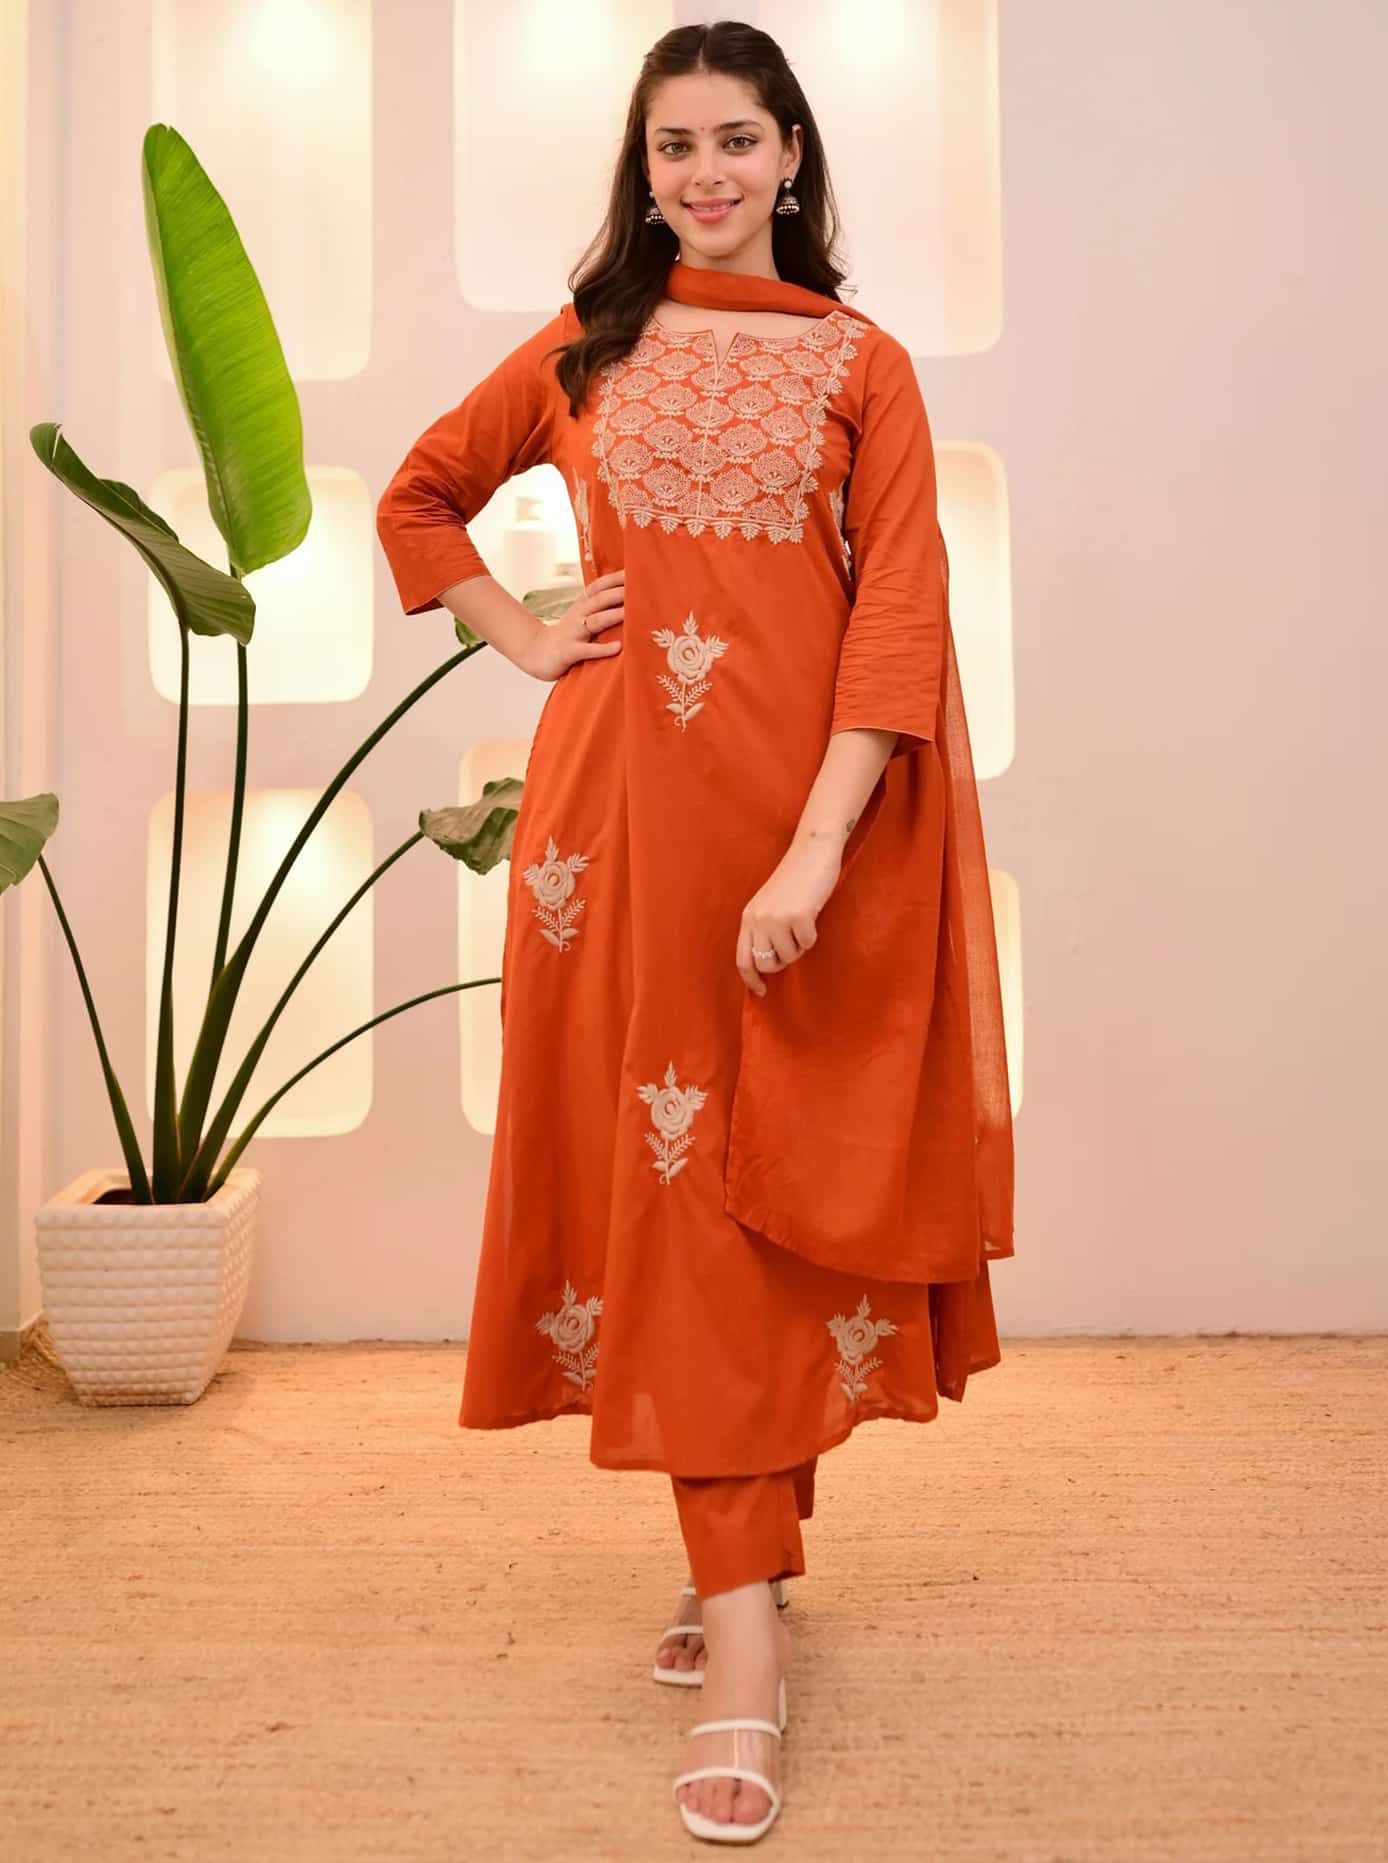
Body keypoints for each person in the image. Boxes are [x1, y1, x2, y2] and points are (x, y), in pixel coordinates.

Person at [376, 19, 1014, 1846]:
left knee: (774, 1179)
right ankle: (744, 1632)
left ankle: (742, 1568)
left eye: (739, 142)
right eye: (674, 149)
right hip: (617, 843)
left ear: (794, 157)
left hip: (804, 834)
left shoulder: (862, 368)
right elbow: (422, 491)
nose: (708, 176)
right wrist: (519, 634)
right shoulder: (590, 350)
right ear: (642, 170)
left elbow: (898, 616)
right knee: (677, 1187)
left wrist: (818, 850)